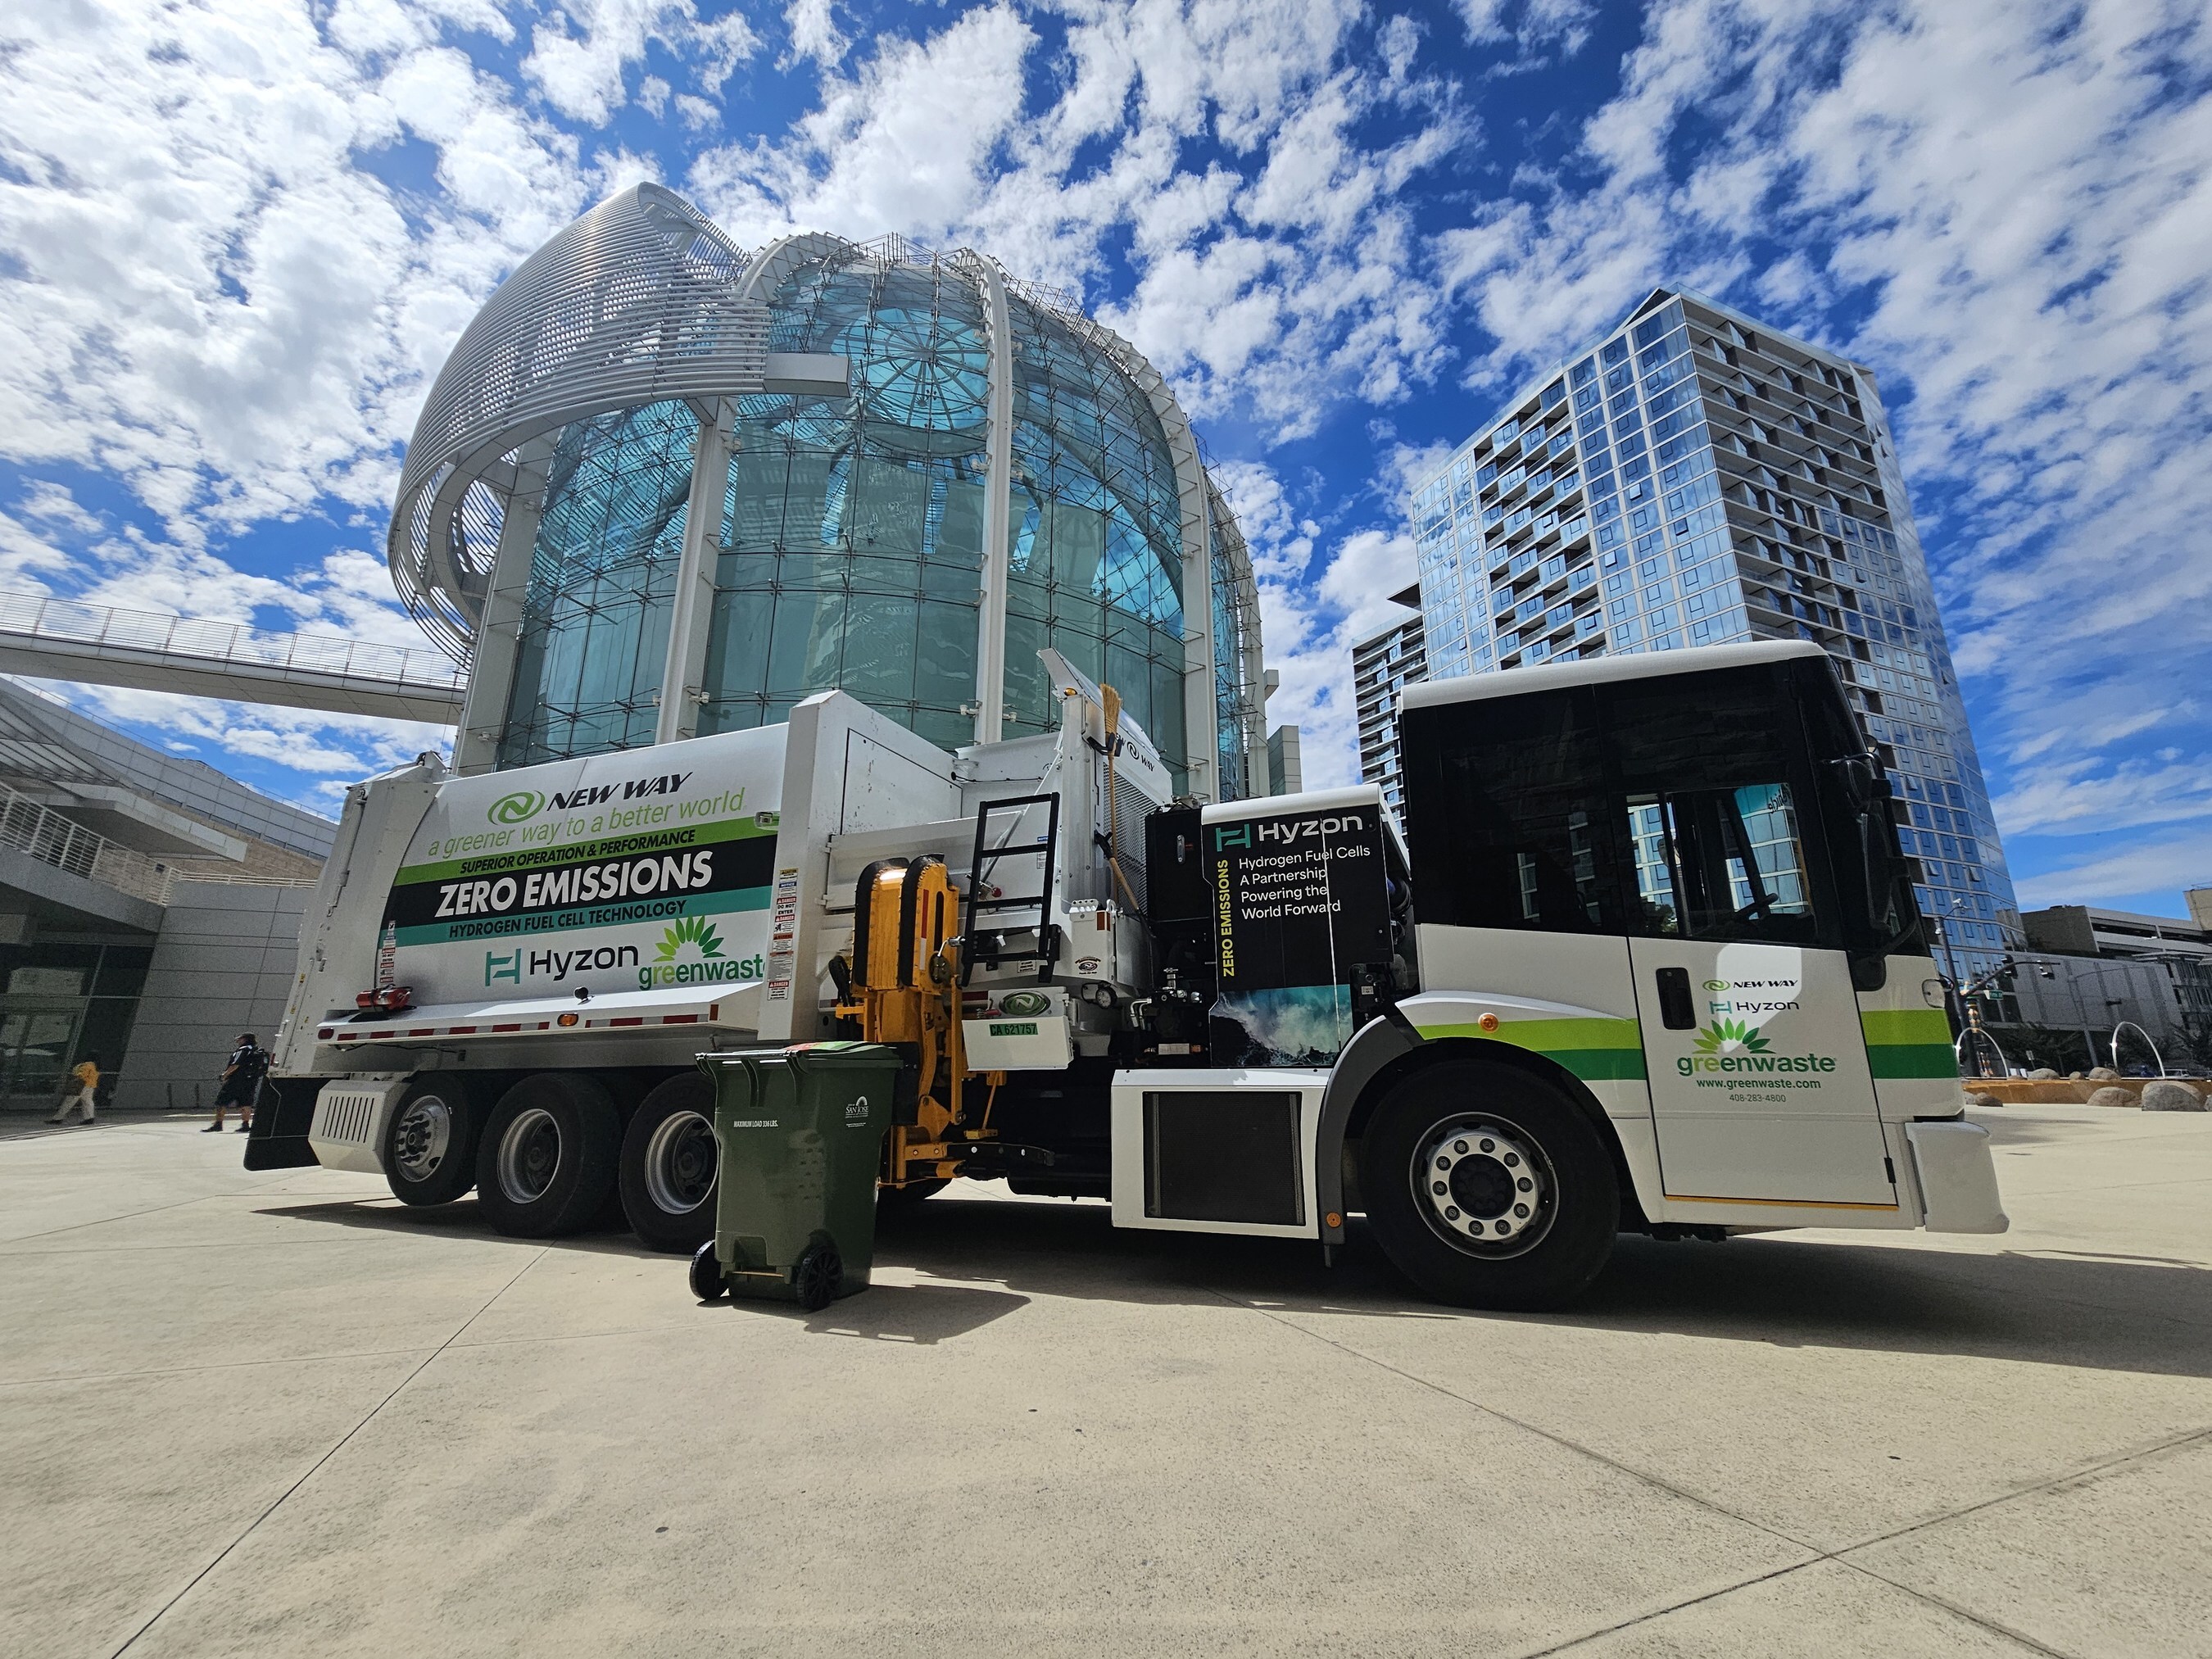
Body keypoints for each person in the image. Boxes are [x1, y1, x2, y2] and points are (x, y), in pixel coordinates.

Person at [207, 1034, 268, 1133]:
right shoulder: (257, 1051)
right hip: (251, 1081)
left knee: (221, 1102)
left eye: (239, 1039)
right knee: (246, 1103)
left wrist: (224, 1075)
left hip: (236, 1081)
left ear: (244, 1040)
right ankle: (245, 1125)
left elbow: (236, 1064)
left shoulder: (243, 1050)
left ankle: (218, 1124)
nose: (238, 1041)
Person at [49, 1053, 100, 1126]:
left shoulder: (86, 1065)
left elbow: (81, 1075)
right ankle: (89, 1118)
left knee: (69, 1101)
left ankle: (58, 1118)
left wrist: (75, 1077)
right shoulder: (95, 1067)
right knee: (88, 1102)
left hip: (81, 1086)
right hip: (91, 1086)